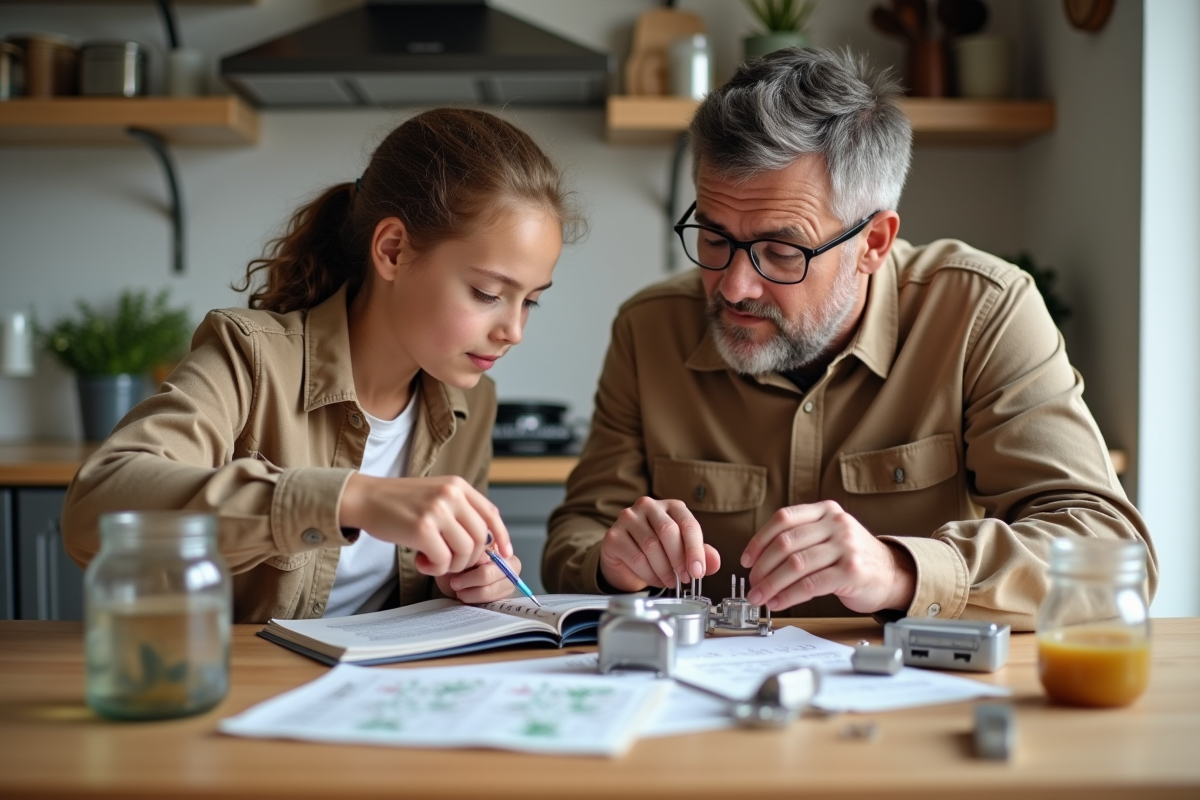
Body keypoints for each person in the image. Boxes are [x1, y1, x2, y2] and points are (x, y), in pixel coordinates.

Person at [543, 49, 1156, 629]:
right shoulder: (647, 329)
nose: (732, 286)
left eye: (781, 251)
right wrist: (610, 563)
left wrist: (900, 571)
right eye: (713, 237)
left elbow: (1109, 552)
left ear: (874, 244)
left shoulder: (982, 313)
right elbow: (576, 536)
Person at [63, 108, 580, 623]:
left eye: (530, 300)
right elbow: (96, 507)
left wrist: (475, 577)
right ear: (393, 250)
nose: (513, 330)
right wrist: (352, 497)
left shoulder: (472, 401)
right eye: (487, 293)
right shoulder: (250, 357)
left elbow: (444, 586)